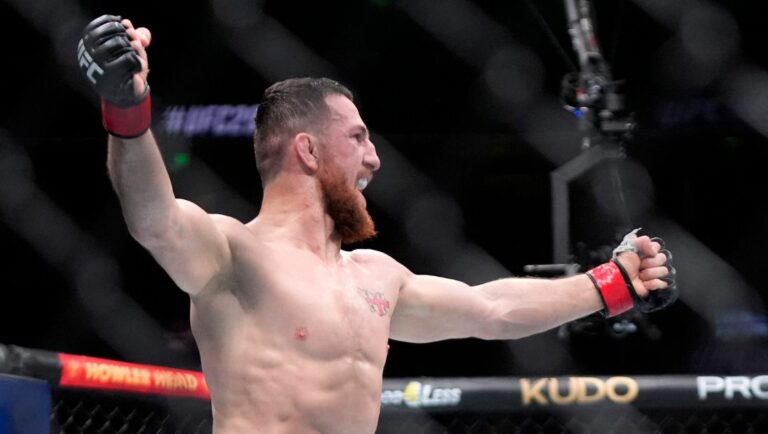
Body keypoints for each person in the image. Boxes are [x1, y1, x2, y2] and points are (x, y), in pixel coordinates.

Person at [77, 15, 677, 434]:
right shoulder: (233, 253)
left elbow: (491, 308)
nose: (374, 159)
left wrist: (611, 283)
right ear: (308, 151)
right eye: (359, 138)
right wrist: (127, 107)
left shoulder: (376, 278)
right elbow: (153, 217)